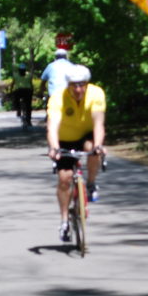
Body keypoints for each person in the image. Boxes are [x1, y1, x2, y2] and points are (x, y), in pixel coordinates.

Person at [46, 65, 106, 242]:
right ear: (68, 85)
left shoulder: (96, 94)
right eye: (74, 85)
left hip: (86, 136)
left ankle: (91, 183)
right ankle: (64, 221)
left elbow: (98, 124)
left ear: (87, 84)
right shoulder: (58, 98)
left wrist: (99, 145)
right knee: (64, 179)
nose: (78, 89)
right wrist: (54, 147)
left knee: (93, 148)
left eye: (82, 85)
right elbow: (52, 126)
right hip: (64, 139)